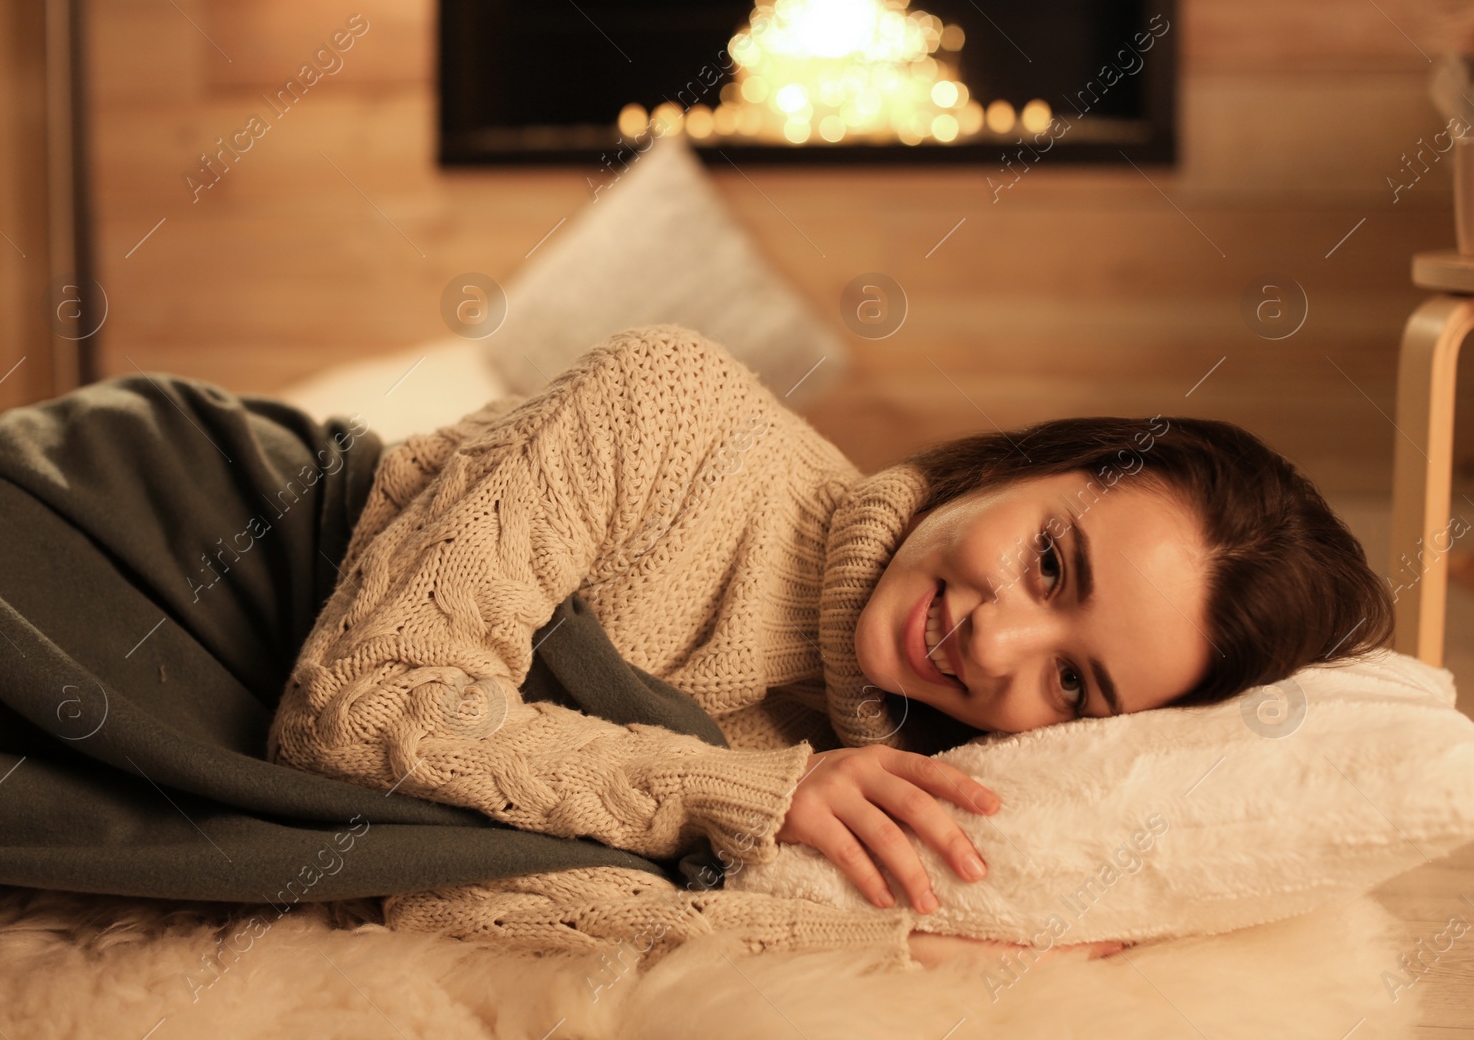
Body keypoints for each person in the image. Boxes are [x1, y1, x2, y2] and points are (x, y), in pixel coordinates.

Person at [266, 324, 1392, 971]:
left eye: (1070, 681)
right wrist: (738, 789)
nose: (994, 639)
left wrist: (876, 936)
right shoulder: (673, 408)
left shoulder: (850, 785)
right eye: (1050, 561)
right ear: (1027, 460)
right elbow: (355, 707)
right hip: (173, 537)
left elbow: (439, 898)